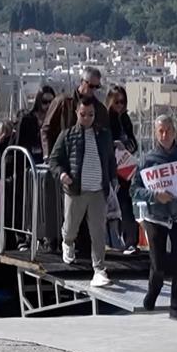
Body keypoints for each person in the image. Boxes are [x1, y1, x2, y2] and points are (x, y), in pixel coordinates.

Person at [131, 115, 177, 321]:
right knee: (158, 266)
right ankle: (153, 291)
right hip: (155, 218)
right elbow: (134, 189)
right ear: (156, 133)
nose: (165, 135)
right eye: (160, 131)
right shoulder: (147, 160)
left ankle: (176, 308)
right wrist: (155, 195)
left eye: (168, 130)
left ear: (174, 132)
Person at [49, 97, 117, 287]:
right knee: (71, 227)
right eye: (83, 114)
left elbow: (110, 160)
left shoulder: (104, 135)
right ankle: (67, 242)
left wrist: (112, 180)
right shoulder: (67, 135)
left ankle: (99, 269)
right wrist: (62, 174)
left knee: (98, 232)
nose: (87, 118)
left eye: (91, 115)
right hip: (75, 191)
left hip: (98, 191)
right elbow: (54, 161)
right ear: (77, 114)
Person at [106, 86, 140, 254]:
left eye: (123, 102)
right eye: (117, 101)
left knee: (125, 204)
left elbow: (134, 143)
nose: (120, 105)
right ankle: (111, 241)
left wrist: (125, 146)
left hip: (124, 169)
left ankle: (130, 242)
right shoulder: (105, 118)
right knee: (109, 206)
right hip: (109, 169)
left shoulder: (125, 119)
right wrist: (114, 144)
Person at [17, 85, 55, 164]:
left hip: (46, 161)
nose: (48, 105)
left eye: (51, 102)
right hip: (28, 161)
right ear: (39, 101)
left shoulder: (54, 119)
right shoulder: (27, 119)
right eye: (44, 102)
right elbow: (20, 143)